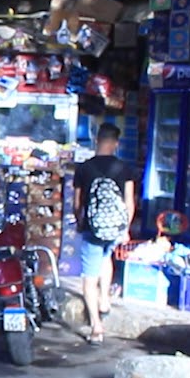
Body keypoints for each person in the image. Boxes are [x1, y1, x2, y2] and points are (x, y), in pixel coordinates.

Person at [72, 122, 137, 345]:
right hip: (115, 229)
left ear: (97, 140)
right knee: (106, 258)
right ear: (116, 144)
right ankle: (104, 301)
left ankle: (96, 327)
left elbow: (77, 203)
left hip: (92, 227)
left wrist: (80, 223)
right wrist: (125, 228)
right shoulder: (124, 168)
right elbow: (129, 202)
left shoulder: (83, 168)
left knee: (89, 278)